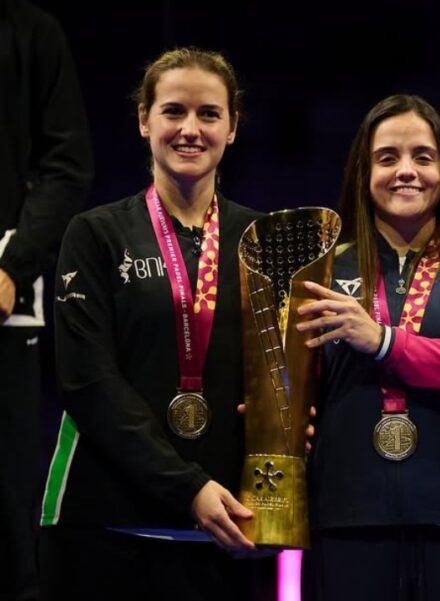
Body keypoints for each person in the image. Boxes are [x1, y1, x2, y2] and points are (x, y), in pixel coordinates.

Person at [38, 47, 268, 600]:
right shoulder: (94, 234)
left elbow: (280, 375)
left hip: (226, 529)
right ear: (144, 120)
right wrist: (189, 488)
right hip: (106, 521)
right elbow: (88, 385)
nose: (190, 129)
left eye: (209, 114)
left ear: (233, 127)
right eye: (173, 112)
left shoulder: (263, 240)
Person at [296, 94, 440, 601]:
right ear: (363, 173)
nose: (406, 171)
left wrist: (383, 342)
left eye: (423, 157)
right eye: (387, 158)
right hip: (346, 518)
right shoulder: (321, 270)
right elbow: (294, 385)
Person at [0, 2, 93, 599]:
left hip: (4, 304)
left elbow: (66, 164)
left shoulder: (30, 32)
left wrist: (12, 266)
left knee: (8, 508)